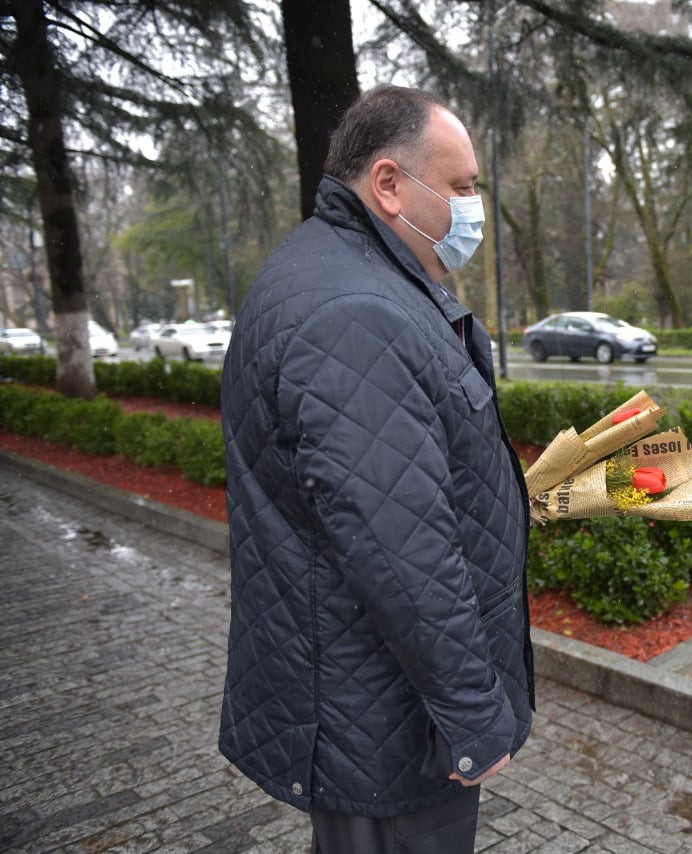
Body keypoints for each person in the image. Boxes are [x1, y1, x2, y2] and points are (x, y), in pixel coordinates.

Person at [218, 86, 533, 852]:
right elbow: (401, 550)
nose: (471, 208)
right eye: (460, 187)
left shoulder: (349, 276)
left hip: (371, 698)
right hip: (390, 721)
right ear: (389, 184)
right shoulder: (356, 311)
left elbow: (394, 487)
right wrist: (472, 718)